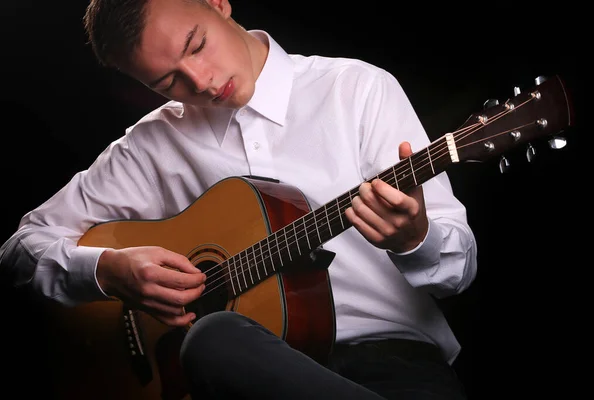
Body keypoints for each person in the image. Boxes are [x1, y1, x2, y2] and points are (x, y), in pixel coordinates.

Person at [0, 0, 478, 398]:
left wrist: (415, 238)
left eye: (198, 45)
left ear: (218, 3)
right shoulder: (151, 146)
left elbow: (457, 272)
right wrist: (108, 271)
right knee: (214, 339)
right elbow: (22, 249)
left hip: (392, 369)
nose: (201, 81)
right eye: (167, 83)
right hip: (236, 380)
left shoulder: (356, 89)